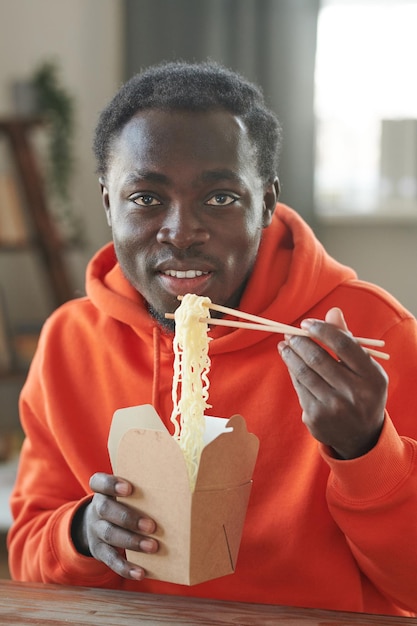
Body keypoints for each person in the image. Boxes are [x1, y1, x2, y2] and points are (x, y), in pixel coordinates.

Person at [7, 61, 417, 617]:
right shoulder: (68, 343)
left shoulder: (369, 337)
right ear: (108, 203)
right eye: (146, 198)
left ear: (267, 204)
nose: (181, 230)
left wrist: (367, 449)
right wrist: (80, 532)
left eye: (220, 197)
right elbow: (28, 553)